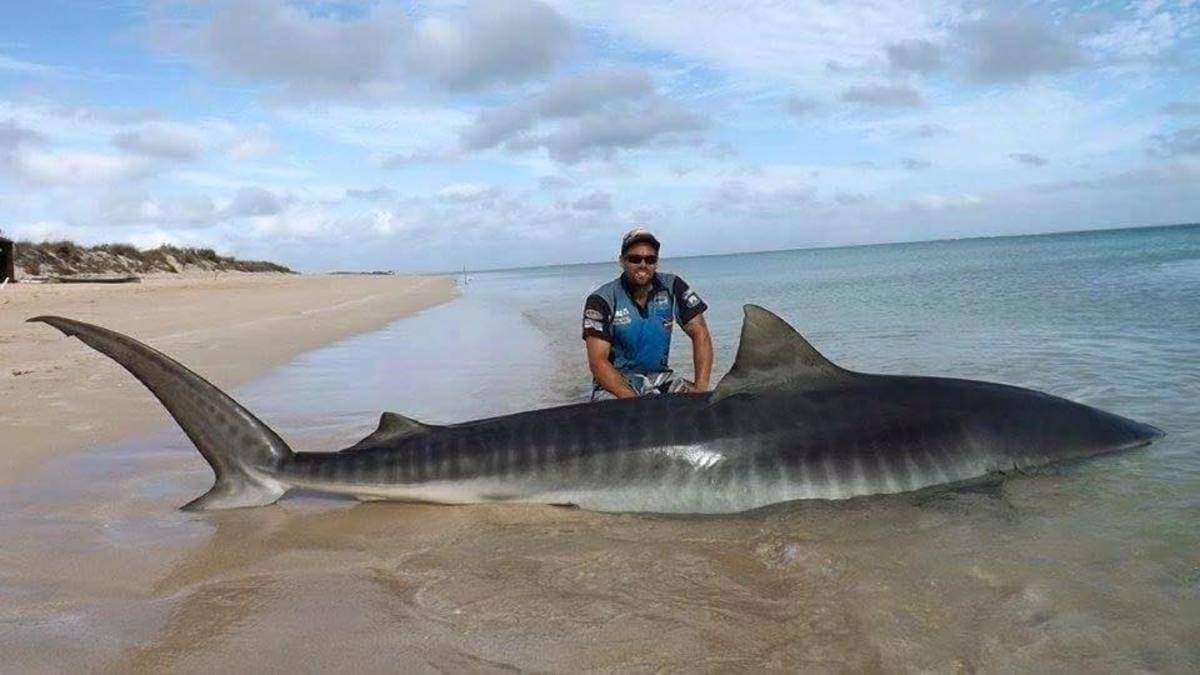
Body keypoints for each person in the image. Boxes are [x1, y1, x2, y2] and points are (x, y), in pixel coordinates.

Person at [582, 228, 713, 401]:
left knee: (702, 407)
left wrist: (701, 389)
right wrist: (633, 402)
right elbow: (598, 362)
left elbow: (700, 333)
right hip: (616, 383)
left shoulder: (672, 285)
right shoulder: (601, 299)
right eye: (635, 259)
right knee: (622, 421)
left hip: (660, 378)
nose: (643, 264)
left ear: (656, 263)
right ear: (622, 261)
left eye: (650, 259)